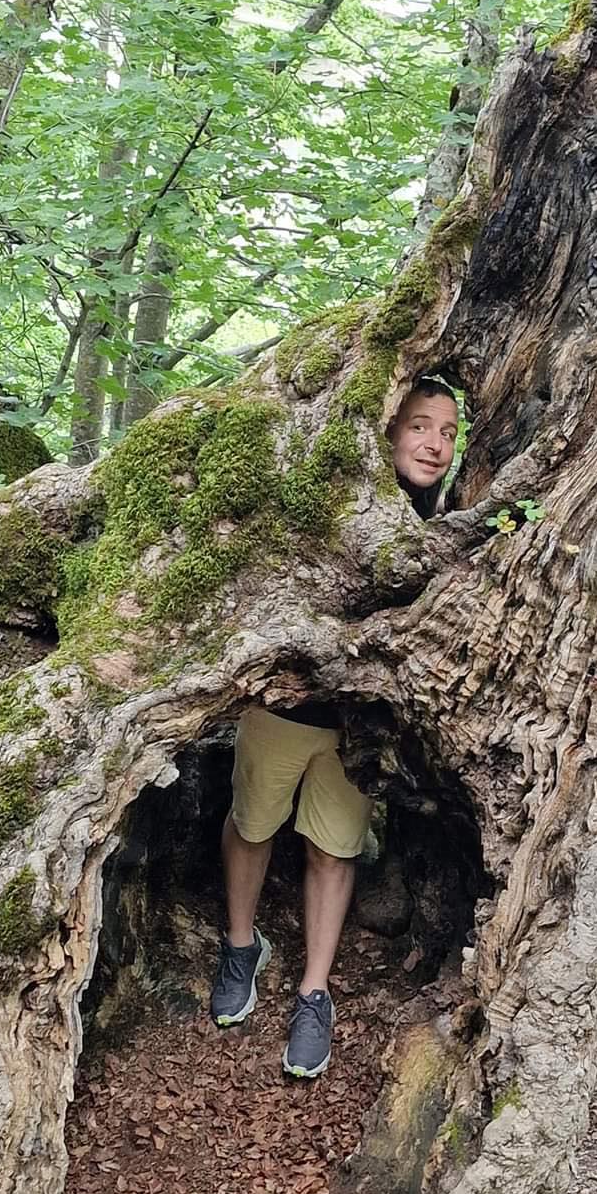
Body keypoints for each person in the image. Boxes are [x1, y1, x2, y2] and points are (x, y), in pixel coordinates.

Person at [210, 379, 460, 1077]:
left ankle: (313, 993)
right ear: (387, 430)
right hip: (283, 709)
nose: (434, 444)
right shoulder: (331, 499)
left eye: (447, 432)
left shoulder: (448, 526)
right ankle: (241, 945)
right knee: (253, 825)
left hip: (360, 729)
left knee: (333, 849)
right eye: (420, 425)